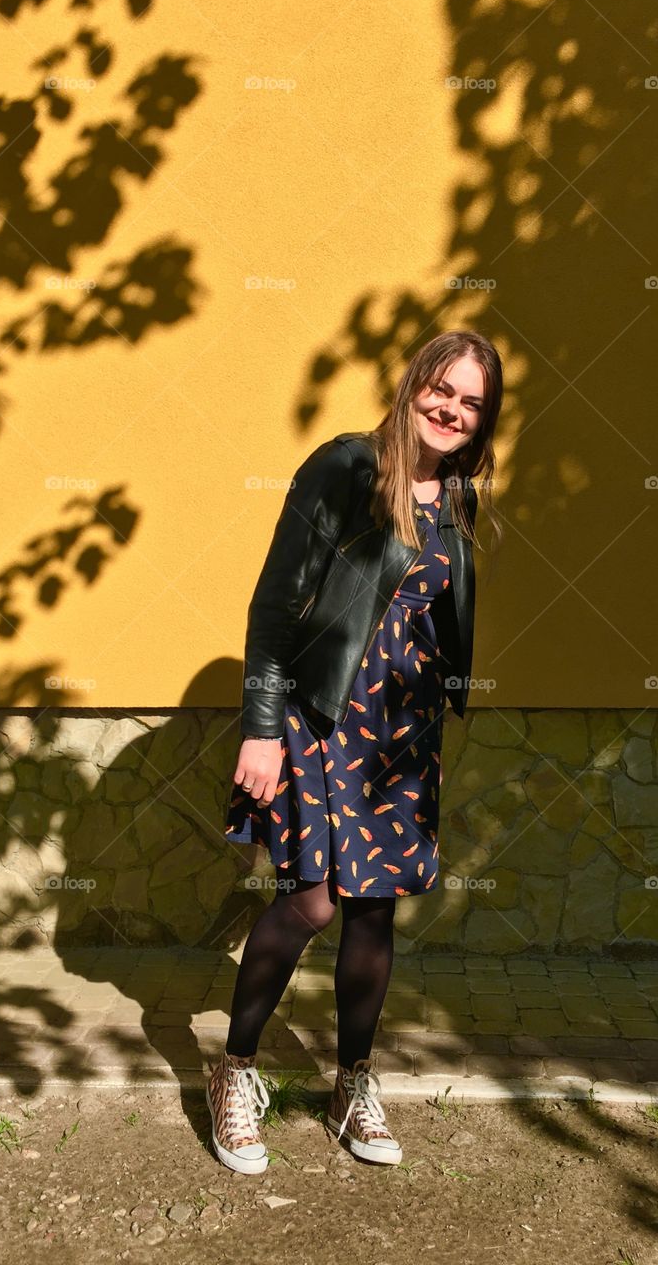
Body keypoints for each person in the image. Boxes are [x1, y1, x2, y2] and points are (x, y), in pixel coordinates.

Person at [207, 330, 503, 1174]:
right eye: (439, 390)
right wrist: (260, 726)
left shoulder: (456, 498)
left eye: (470, 401)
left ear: (484, 420)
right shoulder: (342, 468)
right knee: (313, 903)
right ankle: (235, 1074)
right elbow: (275, 608)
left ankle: (352, 1085)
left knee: (375, 909)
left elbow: (439, 617)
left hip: (401, 735)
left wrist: (443, 710)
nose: (450, 409)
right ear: (412, 387)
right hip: (318, 713)